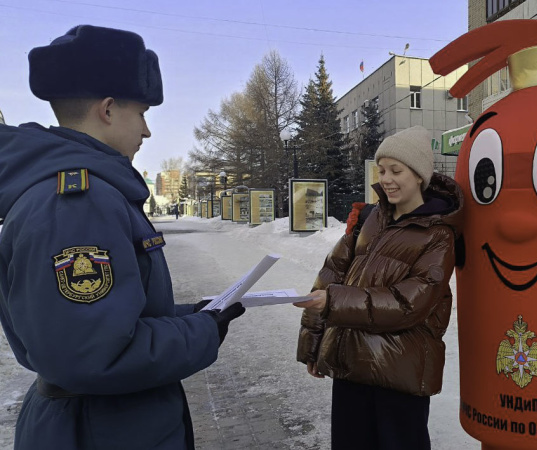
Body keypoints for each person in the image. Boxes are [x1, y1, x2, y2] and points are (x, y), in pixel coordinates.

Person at [0, 25, 245, 449]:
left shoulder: (80, 190)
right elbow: (94, 354)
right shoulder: (77, 201)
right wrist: (201, 333)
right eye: (143, 114)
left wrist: (190, 314)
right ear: (108, 110)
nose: (147, 131)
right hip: (101, 430)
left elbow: (103, 315)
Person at [294, 125, 464, 450]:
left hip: (399, 373)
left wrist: (332, 302)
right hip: (349, 365)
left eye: (396, 171)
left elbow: (408, 304)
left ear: (419, 176)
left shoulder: (438, 234)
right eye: (382, 169)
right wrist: (313, 343)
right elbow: (331, 275)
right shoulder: (370, 218)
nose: (386, 178)